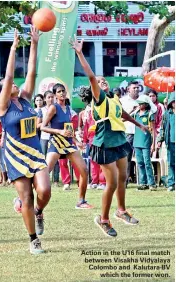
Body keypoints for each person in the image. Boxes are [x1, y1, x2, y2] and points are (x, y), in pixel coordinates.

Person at [70, 35, 149, 237]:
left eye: (103, 80)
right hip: (104, 142)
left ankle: (121, 210)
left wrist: (139, 124)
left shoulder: (113, 98)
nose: (102, 81)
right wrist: (80, 53)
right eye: (99, 81)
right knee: (112, 183)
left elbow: (122, 114)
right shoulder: (99, 98)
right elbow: (90, 76)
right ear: (95, 88)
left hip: (119, 140)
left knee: (123, 178)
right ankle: (103, 219)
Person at [0, 28, 51, 254]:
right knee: (26, 198)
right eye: (10, 85)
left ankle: (39, 211)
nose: (15, 85)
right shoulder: (3, 106)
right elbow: (9, 77)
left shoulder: (26, 100)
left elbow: (32, 72)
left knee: (45, 191)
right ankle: (33, 240)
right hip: (15, 157)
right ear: (4, 90)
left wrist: (35, 43)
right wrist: (12, 48)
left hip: (35, 153)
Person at [41, 83, 93, 209]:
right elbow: (43, 126)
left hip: (69, 143)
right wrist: (59, 132)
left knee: (84, 171)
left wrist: (77, 141)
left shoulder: (69, 109)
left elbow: (68, 129)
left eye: (63, 91)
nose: (62, 93)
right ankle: (24, 198)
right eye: (59, 91)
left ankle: (81, 201)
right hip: (56, 142)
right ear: (54, 94)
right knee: (45, 172)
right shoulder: (53, 108)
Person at [132, 95, 157, 191]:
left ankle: (152, 183)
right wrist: (132, 110)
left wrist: (153, 144)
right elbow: (125, 118)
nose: (139, 104)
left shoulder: (149, 114)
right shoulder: (136, 114)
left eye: (141, 103)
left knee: (147, 162)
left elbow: (153, 130)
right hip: (137, 142)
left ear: (146, 104)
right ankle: (143, 183)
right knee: (140, 163)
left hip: (146, 142)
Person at [37, 90, 60, 186]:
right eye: (48, 97)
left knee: (55, 159)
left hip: (55, 137)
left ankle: (55, 180)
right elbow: (37, 125)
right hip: (44, 137)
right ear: (45, 99)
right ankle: (45, 180)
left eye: (52, 97)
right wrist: (45, 123)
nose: (51, 99)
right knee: (44, 160)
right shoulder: (41, 110)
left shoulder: (57, 108)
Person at [158, 94, 175, 191]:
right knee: (171, 163)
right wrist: (160, 140)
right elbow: (162, 128)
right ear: (171, 103)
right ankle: (172, 183)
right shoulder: (167, 114)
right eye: (174, 102)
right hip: (171, 141)